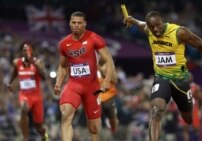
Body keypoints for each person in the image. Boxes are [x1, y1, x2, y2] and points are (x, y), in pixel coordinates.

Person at [123, 11, 202, 141]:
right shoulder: (149, 30)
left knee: (188, 119)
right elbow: (141, 24)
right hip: (162, 77)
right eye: (152, 27)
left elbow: (201, 45)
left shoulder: (179, 32)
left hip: (181, 79)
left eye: (158, 25)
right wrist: (133, 20)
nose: (155, 29)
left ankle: (187, 110)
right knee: (156, 110)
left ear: (162, 22)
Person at [54, 11, 116, 141]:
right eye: (73, 22)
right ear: (69, 24)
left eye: (79, 23)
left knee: (94, 128)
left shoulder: (94, 38)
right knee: (66, 114)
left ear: (85, 24)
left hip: (92, 88)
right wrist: (58, 83)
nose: (76, 25)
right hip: (73, 85)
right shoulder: (64, 44)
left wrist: (106, 81)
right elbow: (63, 66)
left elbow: (108, 60)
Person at [6, 42, 49, 141]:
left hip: (37, 97)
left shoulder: (38, 62)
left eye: (28, 49)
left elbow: (44, 77)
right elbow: (15, 72)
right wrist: (10, 83)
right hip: (24, 95)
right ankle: (25, 139)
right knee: (24, 109)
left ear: (32, 51)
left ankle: (44, 134)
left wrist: (38, 67)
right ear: (22, 52)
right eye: (24, 50)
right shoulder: (17, 62)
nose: (26, 52)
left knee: (39, 127)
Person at [97, 59, 119, 134]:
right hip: (97, 98)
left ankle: (114, 132)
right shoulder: (93, 70)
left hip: (109, 97)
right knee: (95, 119)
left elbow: (115, 80)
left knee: (113, 119)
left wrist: (105, 72)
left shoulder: (111, 69)